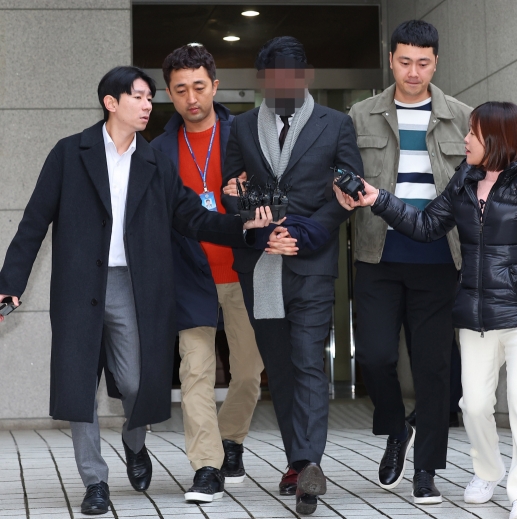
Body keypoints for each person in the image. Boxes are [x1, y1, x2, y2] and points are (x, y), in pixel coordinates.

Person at [0, 66, 273, 516]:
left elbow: (194, 218)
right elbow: (34, 221)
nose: (148, 106)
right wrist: (11, 283)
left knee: (133, 381)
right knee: (80, 386)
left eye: (149, 98)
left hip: (132, 283)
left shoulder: (154, 163)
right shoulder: (71, 154)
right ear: (111, 103)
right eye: (139, 98)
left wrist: (242, 224)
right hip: (79, 284)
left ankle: (134, 440)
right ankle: (95, 481)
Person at [334, 101, 517, 519]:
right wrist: (378, 199)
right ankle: (487, 471)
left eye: (473, 134)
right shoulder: (464, 180)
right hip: (475, 311)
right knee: (473, 404)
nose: (465, 140)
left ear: (496, 139)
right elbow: (426, 226)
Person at [221, 36, 363, 515]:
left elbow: (345, 197)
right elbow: (231, 193)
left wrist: (301, 234)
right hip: (260, 266)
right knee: (278, 369)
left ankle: (309, 470)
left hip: (311, 263)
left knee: (307, 362)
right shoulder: (240, 126)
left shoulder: (336, 124)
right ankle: (297, 457)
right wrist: (262, 233)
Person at [347, 19, 471, 504]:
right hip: (378, 255)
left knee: (434, 368)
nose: (413, 72)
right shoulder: (360, 116)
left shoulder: (462, 118)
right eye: (404, 62)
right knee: (375, 357)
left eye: (423, 63)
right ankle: (398, 428)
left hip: (441, 259)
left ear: (436, 62)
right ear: (390, 59)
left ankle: (426, 471)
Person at [150, 43, 264, 504]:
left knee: (249, 372)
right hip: (190, 273)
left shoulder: (248, 134)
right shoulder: (157, 150)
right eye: (180, 90)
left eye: (199, 87)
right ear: (169, 95)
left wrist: (250, 194)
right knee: (195, 371)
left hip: (243, 271)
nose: (191, 98)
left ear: (215, 86)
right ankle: (207, 467)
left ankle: (232, 438)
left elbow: (277, 193)